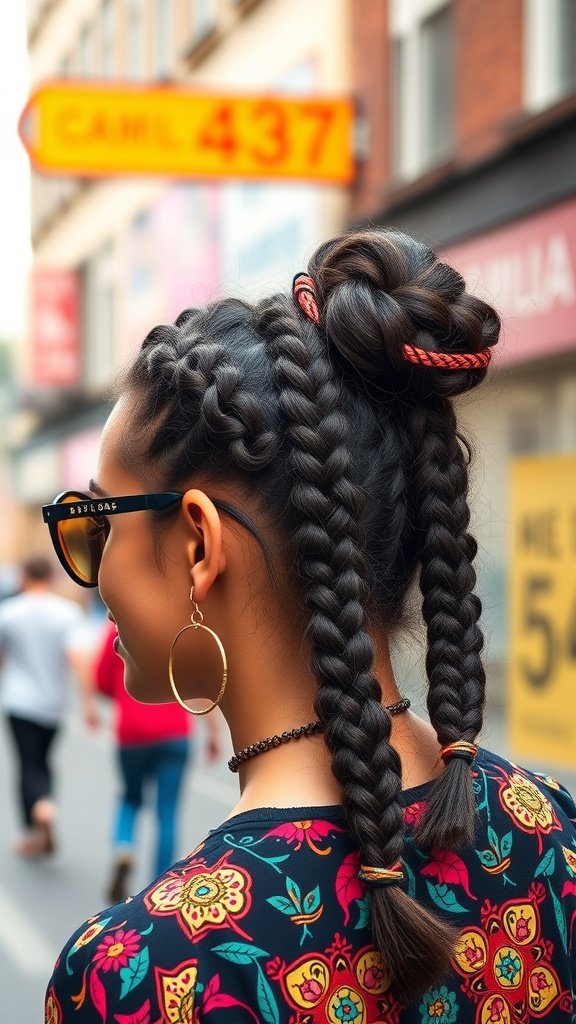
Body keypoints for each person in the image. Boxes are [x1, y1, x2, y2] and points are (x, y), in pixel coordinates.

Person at [42, 229, 576, 1022]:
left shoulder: (139, 975)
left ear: (197, 545)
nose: (87, 562)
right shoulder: (550, 831)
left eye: (98, 522)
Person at [89, 621, 221, 902]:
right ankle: (159, 887)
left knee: (130, 798)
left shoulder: (116, 626)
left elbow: (100, 680)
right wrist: (213, 733)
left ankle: (124, 847)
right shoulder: (176, 624)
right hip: (175, 733)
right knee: (167, 812)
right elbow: (198, 685)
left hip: (132, 733)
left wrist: (123, 693)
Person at [0, 554, 84, 856]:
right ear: (51, 577)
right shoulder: (68, 613)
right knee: (43, 761)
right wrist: (88, 703)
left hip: (19, 702)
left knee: (27, 763)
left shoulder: (9, 612)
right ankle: (45, 803)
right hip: (53, 704)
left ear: (24, 576)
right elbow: (77, 658)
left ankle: (37, 817)